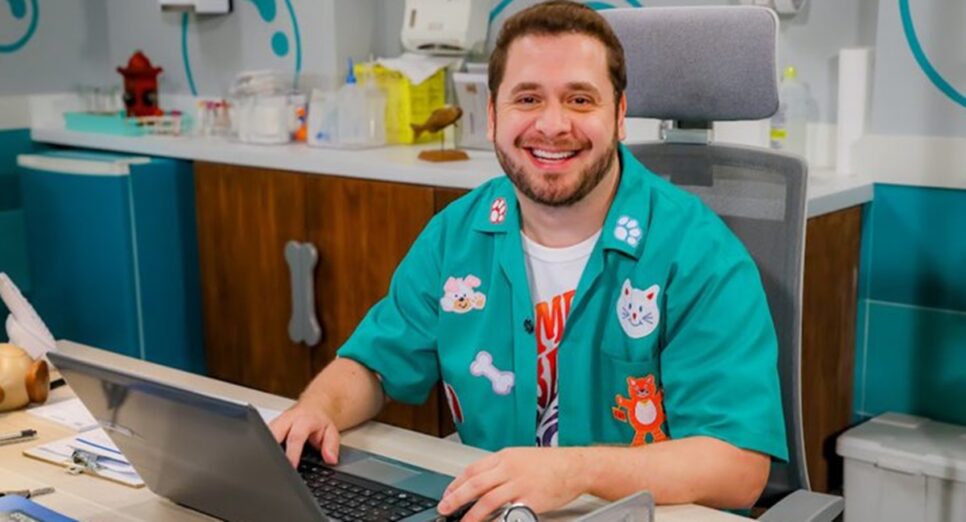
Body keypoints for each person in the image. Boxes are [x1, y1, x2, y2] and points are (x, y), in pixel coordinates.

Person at [270, 2, 787, 520]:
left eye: (580, 99)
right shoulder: (457, 234)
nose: (553, 124)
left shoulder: (700, 256)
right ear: (493, 115)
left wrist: (575, 471)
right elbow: (375, 364)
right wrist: (318, 409)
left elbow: (738, 469)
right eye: (528, 98)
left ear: (620, 115)